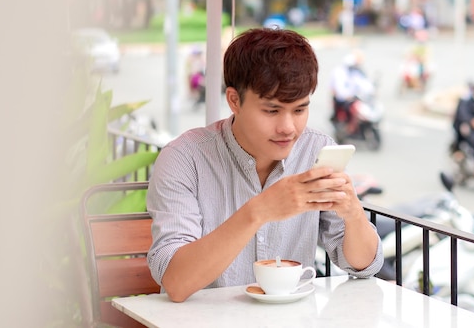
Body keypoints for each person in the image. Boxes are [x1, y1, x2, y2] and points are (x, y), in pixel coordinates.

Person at [147, 28, 383, 302]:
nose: (288, 128)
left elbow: (363, 266)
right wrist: (259, 211)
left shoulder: (316, 150)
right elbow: (177, 283)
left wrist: (353, 212)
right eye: (271, 111)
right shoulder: (184, 159)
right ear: (234, 100)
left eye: (299, 110)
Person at [329, 50, 374, 134]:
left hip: (355, 98)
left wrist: (371, 91)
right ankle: (349, 127)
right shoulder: (340, 72)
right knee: (352, 109)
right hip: (343, 100)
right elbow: (340, 89)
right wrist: (347, 95)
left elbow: (364, 84)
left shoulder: (356, 72)